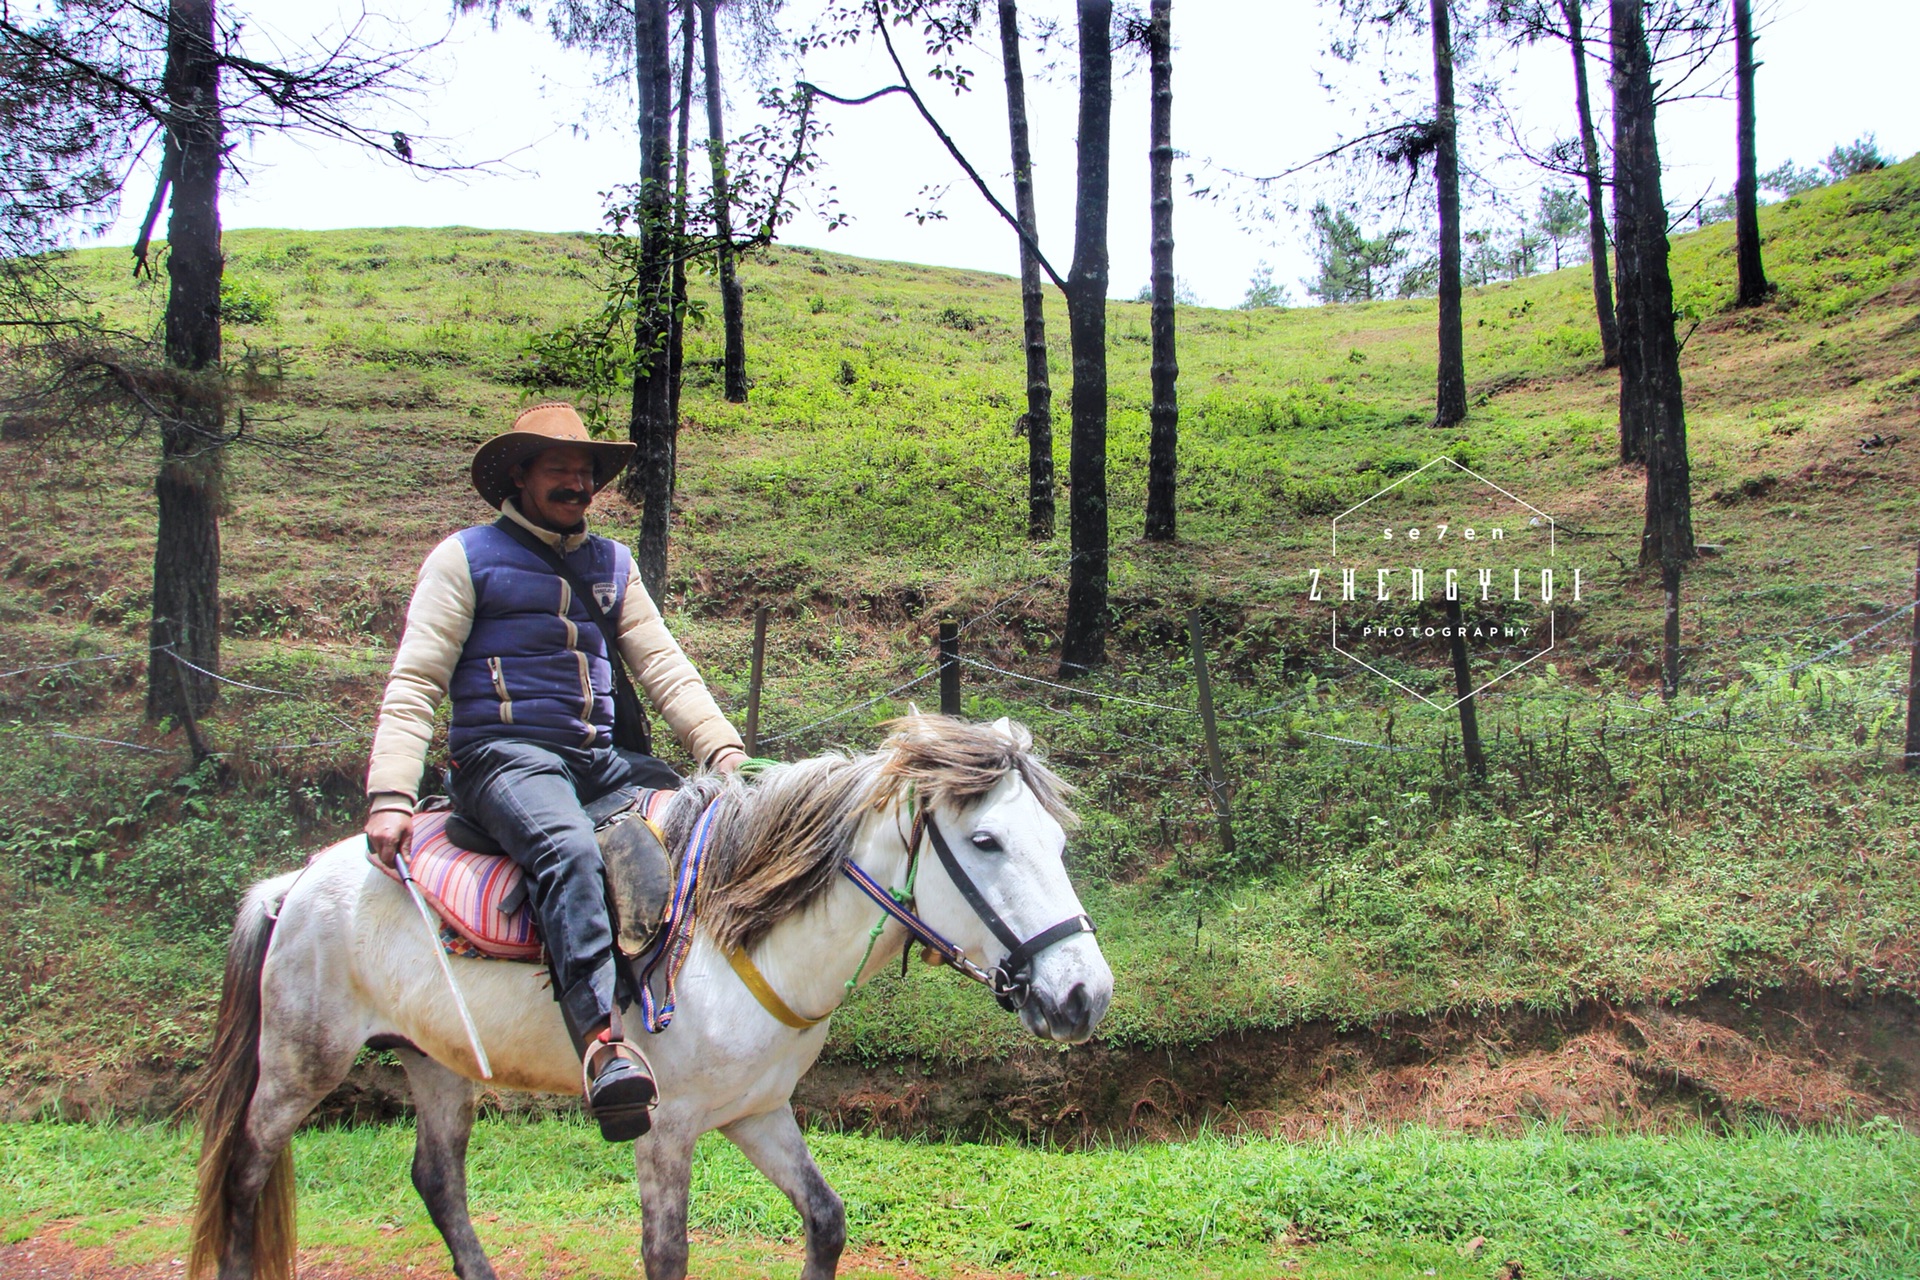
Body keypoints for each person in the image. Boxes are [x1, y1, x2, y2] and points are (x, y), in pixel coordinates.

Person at [363, 401, 745, 1141]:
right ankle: (602, 1046)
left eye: (585, 471)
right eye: (559, 469)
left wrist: (723, 753)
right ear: (520, 475)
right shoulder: (464, 558)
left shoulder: (612, 564)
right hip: (502, 759)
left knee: (706, 822)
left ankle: (695, 1011)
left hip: (598, 761)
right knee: (567, 848)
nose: (577, 483)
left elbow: (664, 666)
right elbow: (414, 683)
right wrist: (390, 795)